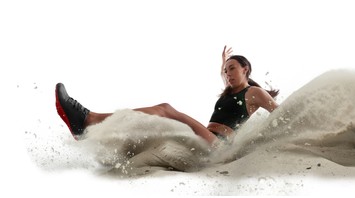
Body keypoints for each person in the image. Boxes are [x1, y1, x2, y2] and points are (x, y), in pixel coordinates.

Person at [55, 46, 279, 145]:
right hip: (206, 137)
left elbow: (281, 114)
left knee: (166, 109)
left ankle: (89, 120)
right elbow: (224, 76)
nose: (227, 73)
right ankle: (96, 134)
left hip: (218, 144)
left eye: (232, 69)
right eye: (226, 70)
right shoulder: (230, 91)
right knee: (156, 129)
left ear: (245, 69)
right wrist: (223, 62)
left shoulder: (254, 93)